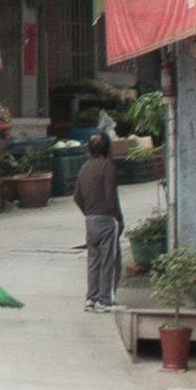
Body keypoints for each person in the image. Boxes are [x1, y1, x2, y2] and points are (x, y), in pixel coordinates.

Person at [74, 128, 126, 310]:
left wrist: (89, 212)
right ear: (108, 147)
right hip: (106, 220)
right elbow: (111, 197)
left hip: (90, 221)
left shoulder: (85, 167)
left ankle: (91, 298)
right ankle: (106, 299)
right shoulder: (108, 166)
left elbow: (77, 197)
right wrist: (118, 218)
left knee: (93, 260)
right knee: (110, 260)